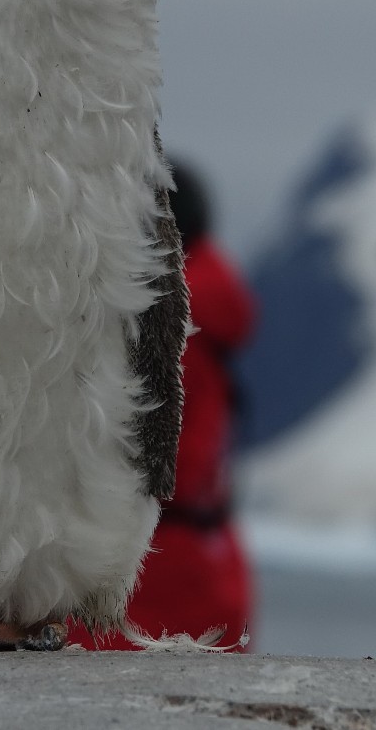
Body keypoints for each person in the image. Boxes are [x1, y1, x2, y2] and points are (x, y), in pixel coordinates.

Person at [76, 158, 258, 648]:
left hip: (153, 574)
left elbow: (155, 461)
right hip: (209, 565)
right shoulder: (209, 308)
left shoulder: (170, 319)